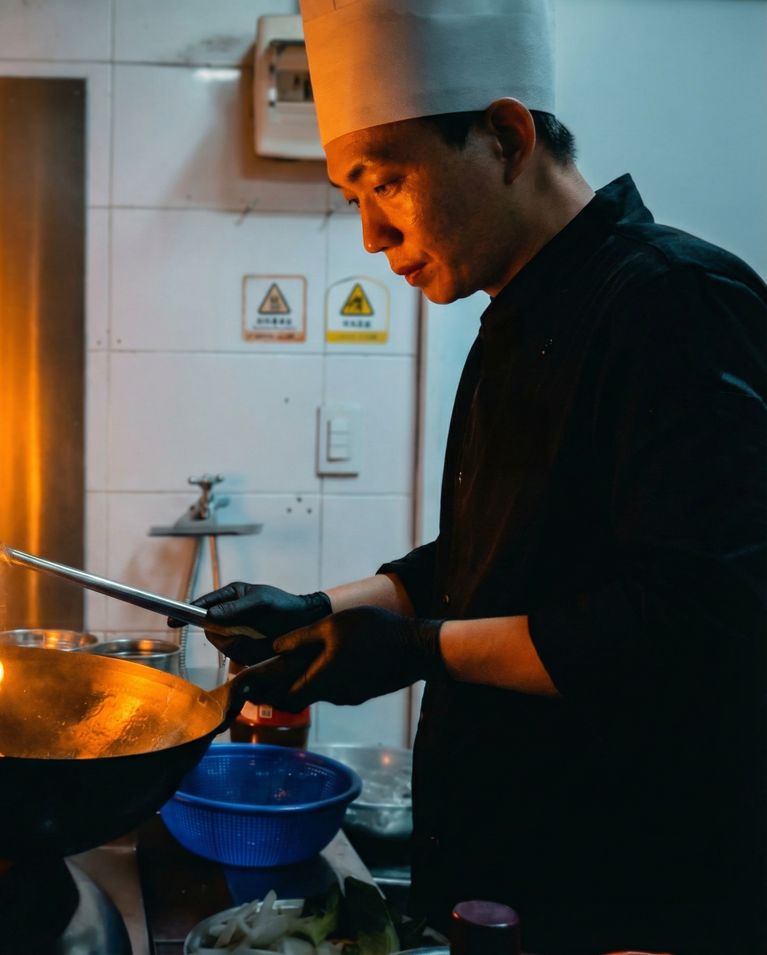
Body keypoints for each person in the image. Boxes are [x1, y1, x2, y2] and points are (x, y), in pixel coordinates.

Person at [176, 2, 767, 951]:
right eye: (352, 198)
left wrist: (416, 648)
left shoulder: (676, 302)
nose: (371, 235)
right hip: (511, 883)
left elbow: (685, 625)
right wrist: (319, 609)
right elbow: (490, 557)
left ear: (505, 136)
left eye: (386, 183)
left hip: (630, 896)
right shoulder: (514, 319)